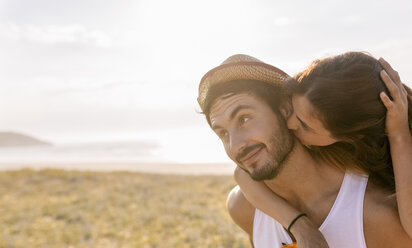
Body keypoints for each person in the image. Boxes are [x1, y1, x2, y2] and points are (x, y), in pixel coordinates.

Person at [197, 54, 412, 247]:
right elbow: (241, 175)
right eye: (222, 133)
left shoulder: (376, 213)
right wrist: (300, 226)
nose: (235, 146)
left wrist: (399, 134)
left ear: (284, 109)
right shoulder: (244, 209)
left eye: (244, 119)